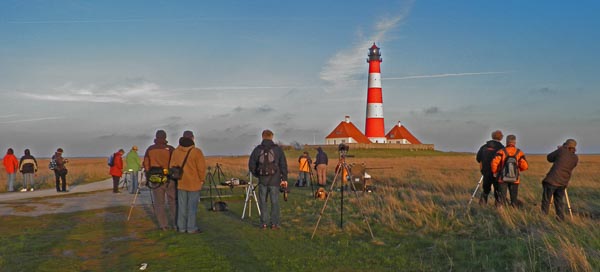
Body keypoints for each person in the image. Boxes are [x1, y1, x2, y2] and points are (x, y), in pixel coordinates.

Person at [248, 129, 288, 229]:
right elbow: (283, 164)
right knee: (274, 202)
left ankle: (264, 223)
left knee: (263, 202)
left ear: (262, 136)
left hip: (262, 180)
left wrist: (257, 174)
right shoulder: (277, 149)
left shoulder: (257, 149)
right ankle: (274, 223)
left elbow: (251, 164)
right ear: (272, 137)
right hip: (275, 180)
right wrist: (284, 178)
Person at [170, 130, 206, 234]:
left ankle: (181, 227)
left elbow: (171, 166)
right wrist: (202, 179)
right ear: (192, 138)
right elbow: (201, 168)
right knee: (192, 207)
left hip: (181, 183)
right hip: (194, 183)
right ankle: (191, 228)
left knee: (181, 207)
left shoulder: (176, 152)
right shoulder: (196, 152)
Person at [143, 130, 176, 231]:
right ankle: (176, 223)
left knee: (159, 203)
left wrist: (148, 176)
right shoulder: (170, 149)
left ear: (156, 137)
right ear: (165, 137)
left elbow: (146, 164)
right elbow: (175, 163)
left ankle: (163, 225)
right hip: (169, 179)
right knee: (173, 201)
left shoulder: (150, 149)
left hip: (155, 179)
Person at [541, 139, 579, 221]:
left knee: (546, 200)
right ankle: (560, 218)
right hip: (563, 182)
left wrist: (559, 149)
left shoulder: (561, 151)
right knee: (559, 201)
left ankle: (543, 218)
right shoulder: (575, 158)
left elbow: (549, 158)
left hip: (552, 180)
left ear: (566, 145)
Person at [491, 135, 529, 207]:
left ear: (506, 142)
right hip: (515, 179)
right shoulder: (519, 152)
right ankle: (514, 210)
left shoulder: (501, 151)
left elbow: (494, 163)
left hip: (502, 178)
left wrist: (495, 172)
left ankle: (500, 211)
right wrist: (518, 169)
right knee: (514, 198)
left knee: (501, 197)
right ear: (515, 142)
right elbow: (525, 166)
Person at [476, 130, 505, 205]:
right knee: (498, 190)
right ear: (501, 137)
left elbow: (478, 159)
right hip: (497, 173)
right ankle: (498, 206)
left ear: (492, 136)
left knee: (485, 190)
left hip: (485, 172)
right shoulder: (502, 148)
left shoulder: (484, 147)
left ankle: (482, 205)